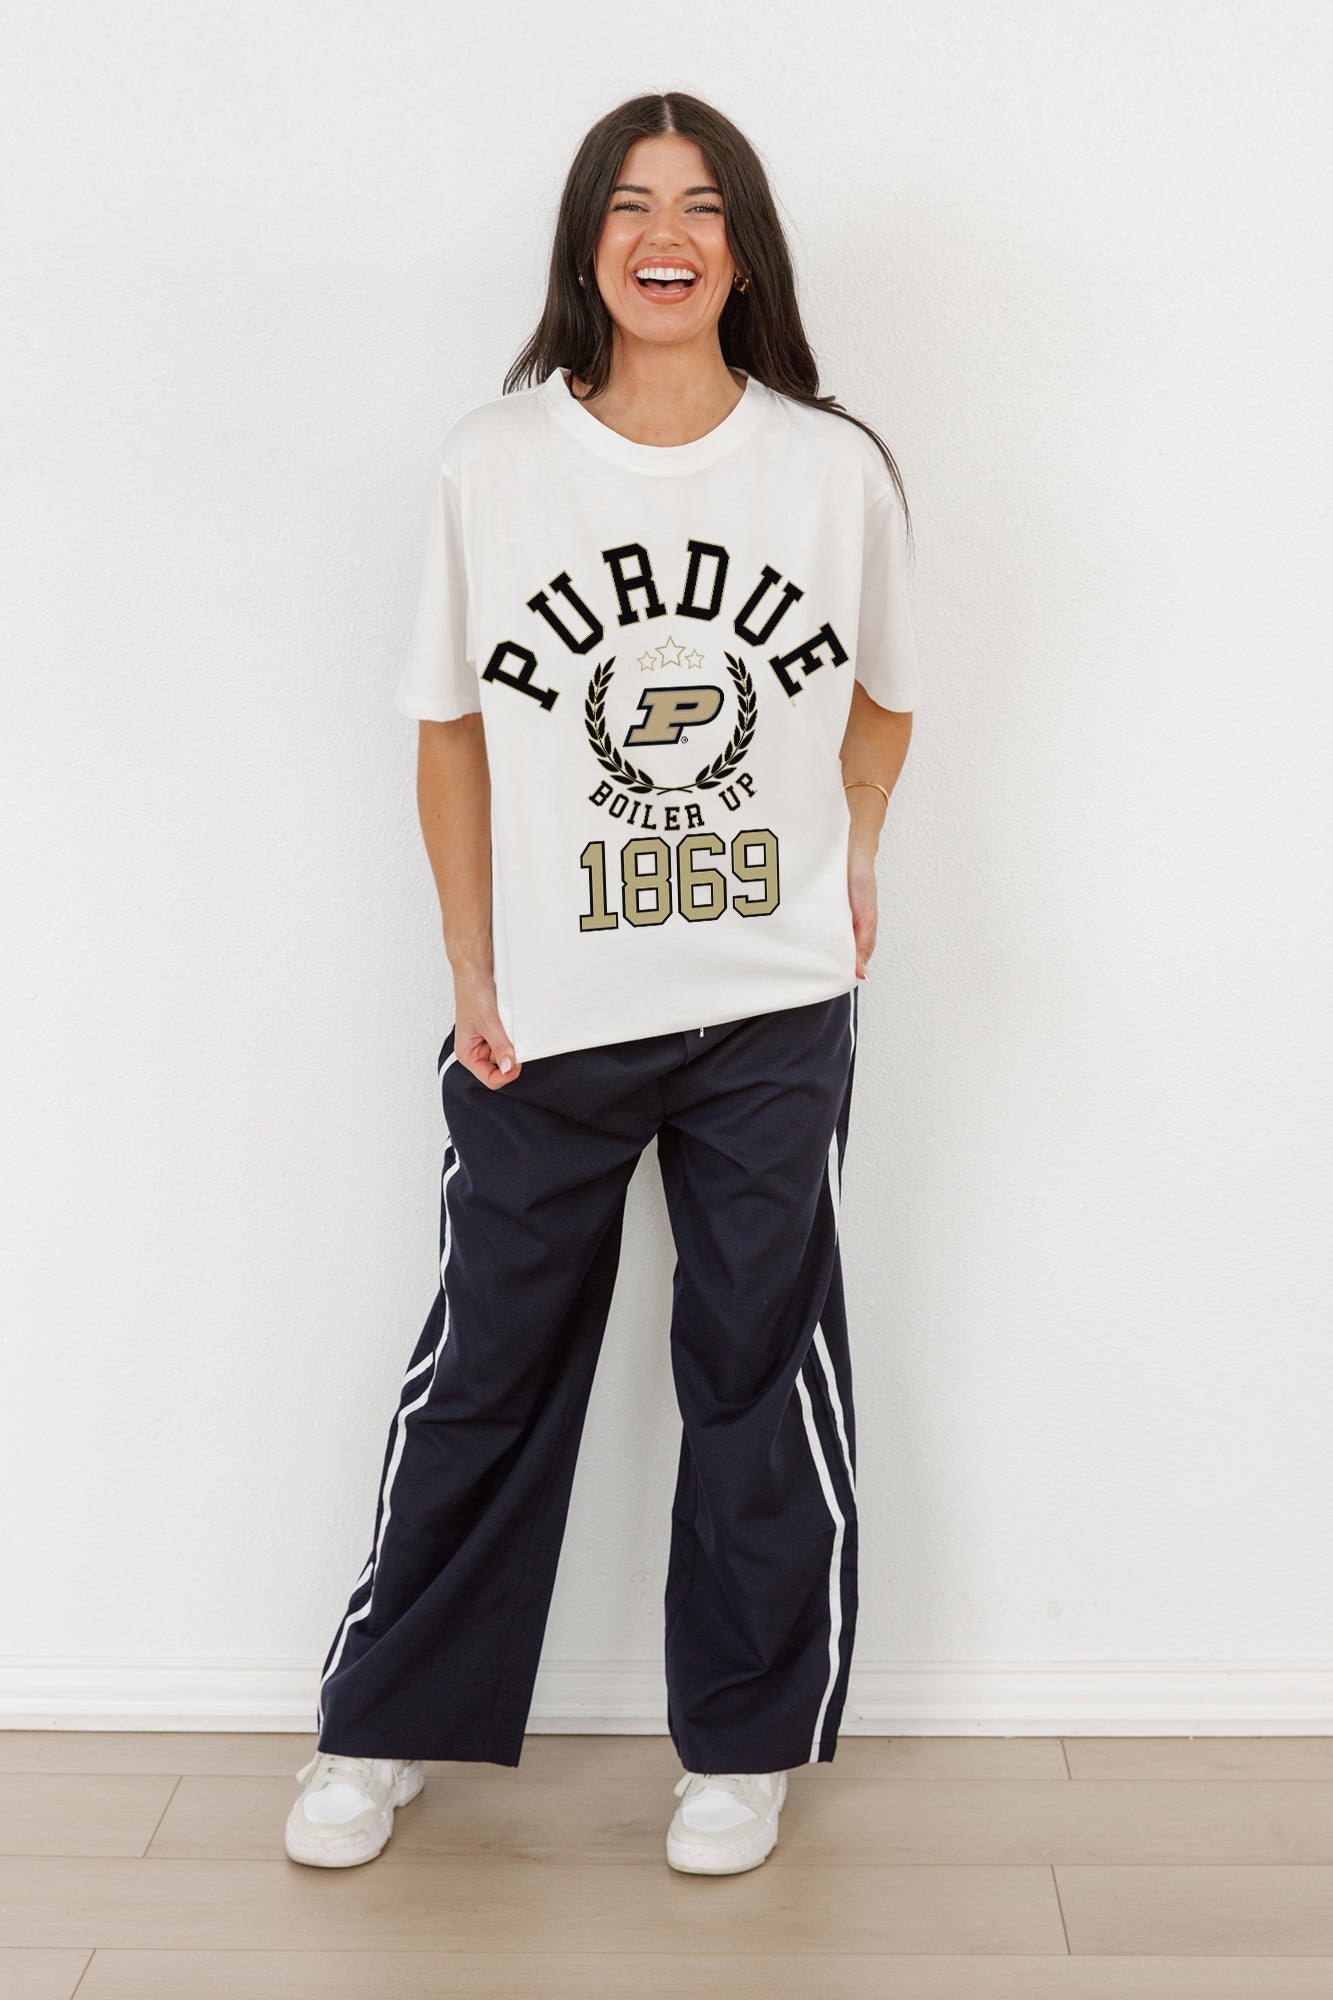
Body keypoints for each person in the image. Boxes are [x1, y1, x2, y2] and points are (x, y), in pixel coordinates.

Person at [285, 89, 920, 1879]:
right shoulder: (494, 460)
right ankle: (384, 1723)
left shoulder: (830, 468)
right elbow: (448, 729)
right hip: (548, 1006)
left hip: (771, 1000)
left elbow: (883, 689)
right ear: (586, 243)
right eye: (633, 203)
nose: (667, 234)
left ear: (744, 251)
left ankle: (742, 1748)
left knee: (757, 1363)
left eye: (703, 206)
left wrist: (856, 850)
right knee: (488, 1360)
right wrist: (471, 962)